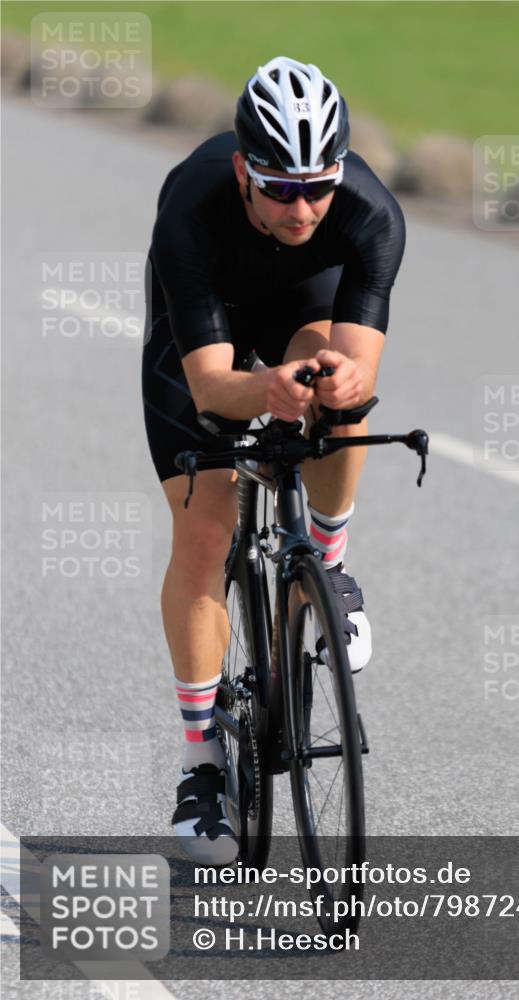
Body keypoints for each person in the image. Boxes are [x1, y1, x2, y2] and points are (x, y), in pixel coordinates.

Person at [142, 55, 406, 864]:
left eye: (317, 187)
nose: (301, 208)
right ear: (241, 171)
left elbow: (357, 366)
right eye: (280, 188)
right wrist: (264, 389)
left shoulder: (369, 215)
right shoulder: (191, 209)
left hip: (302, 307)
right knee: (204, 530)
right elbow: (211, 387)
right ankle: (201, 764)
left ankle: (328, 561)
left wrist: (335, 381)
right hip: (205, 328)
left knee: (338, 393)